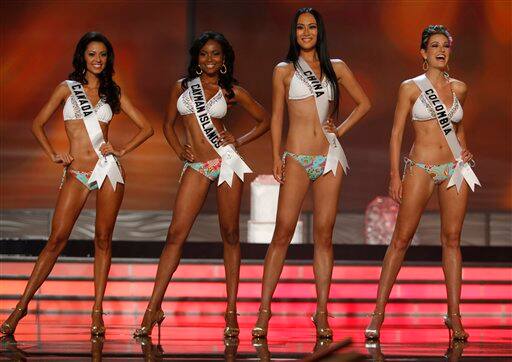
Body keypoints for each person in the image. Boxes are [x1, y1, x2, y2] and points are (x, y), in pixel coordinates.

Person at [0, 32, 154, 336]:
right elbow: (37, 124)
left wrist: (121, 150)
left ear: (108, 59)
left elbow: (147, 127)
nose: (97, 60)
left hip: (107, 170)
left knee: (102, 241)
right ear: (82, 56)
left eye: (103, 55)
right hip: (77, 173)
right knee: (56, 240)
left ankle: (97, 311)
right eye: (92, 54)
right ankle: (21, 307)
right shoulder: (67, 89)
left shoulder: (113, 92)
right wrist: (54, 153)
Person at [133, 31, 270, 338]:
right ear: (196, 58)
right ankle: (153, 308)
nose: (209, 59)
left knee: (231, 234)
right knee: (175, 234)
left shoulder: (231, 91)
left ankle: (231, 311)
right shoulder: (182, 88)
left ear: (224, 60)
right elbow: (168, 125)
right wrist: (178, 149)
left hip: (227, 163)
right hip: (196, 165)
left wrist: (239, 139)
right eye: (204, 54)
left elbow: (265, 119)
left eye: (216, 54)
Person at [252, 7, 371, 339]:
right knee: (283, 232)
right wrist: (275, 157)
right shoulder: (285, 70)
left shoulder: (337, 67)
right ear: (295, 32)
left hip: (329, 159)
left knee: (324, 235)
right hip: (298, 157)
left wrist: (340, 131)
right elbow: (277, 117)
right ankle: (264, 311)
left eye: (312, 27)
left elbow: (364, 104)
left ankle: (321, 313)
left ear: (320, 31)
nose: (306, 32)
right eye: (301, 27)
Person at [365, 25, 478, 341]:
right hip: (420, 168)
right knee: (400, 239)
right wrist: (393, 175)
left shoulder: (461, 88)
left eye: (446, 45)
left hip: (454, 169)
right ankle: (378, 313)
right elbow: (397, 133)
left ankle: (454, 316)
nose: (441, 50)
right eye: (435, 46)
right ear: (423, 53)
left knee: (452, 239)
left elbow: (459, 130)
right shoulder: (410, 88)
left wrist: (466, 152)